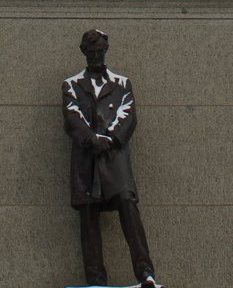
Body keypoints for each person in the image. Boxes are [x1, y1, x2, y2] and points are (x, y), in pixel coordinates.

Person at [62, 29, 162, 288]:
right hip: (86, 160)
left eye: (100, 52)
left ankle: (146, 274)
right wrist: (92, 139)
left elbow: (128, 115)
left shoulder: (121, 83)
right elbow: (72, 117)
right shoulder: (71, 85)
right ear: (85, 53)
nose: (97, 56)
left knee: (128, 205)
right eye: (92, 52)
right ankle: (96, 280)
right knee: (88, 215)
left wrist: (111, 138)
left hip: (114, 157)